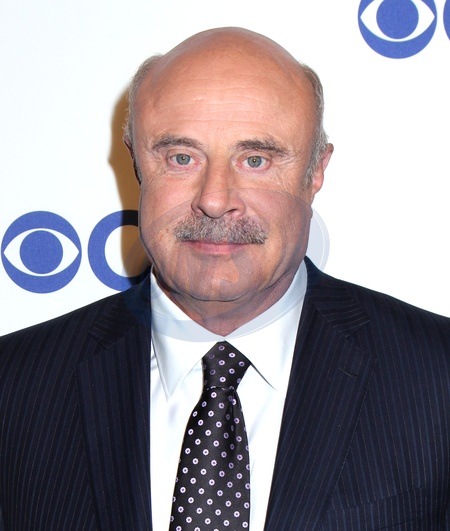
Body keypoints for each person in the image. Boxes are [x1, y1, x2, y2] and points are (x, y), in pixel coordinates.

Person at [0, 27, 448, 531]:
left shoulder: (438, 379)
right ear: (136, 162)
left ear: (316, 171)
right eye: (181, 158)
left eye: (255, 160)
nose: (214, 199)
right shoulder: (15, 388)